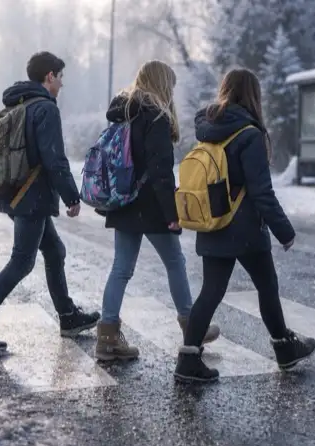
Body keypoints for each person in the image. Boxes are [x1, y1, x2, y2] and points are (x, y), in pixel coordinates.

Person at [174, 68, 315, 382]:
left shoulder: (208, 128)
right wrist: (285, 231)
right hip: (245, 228)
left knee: (210, 291)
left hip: (212, 220)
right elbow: (261, 191)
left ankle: (188, 360)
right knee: (267, 287)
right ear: (254, 95)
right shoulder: (249, 134)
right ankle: (283, 348)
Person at [0, 51, 100, 352]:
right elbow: (54, 158)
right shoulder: (45, 109)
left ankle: (68, 316)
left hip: (17, 192)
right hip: (31, 196)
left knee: (54, 250)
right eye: (60, 77)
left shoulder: (20, 104)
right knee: (22, 261)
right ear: (49, 76)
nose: (62, 84)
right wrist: (71, 196)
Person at [94, 60, 220, 361]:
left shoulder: (124, 112)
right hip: (150, 204)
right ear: (163, 85)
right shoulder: (156, 116)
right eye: (171, 86)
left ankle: (107, 338)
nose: (173, 93)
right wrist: (171, 215)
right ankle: (193, 328)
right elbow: (161, 170)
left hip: (124, 200)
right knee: (175, 262)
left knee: (121, 269)